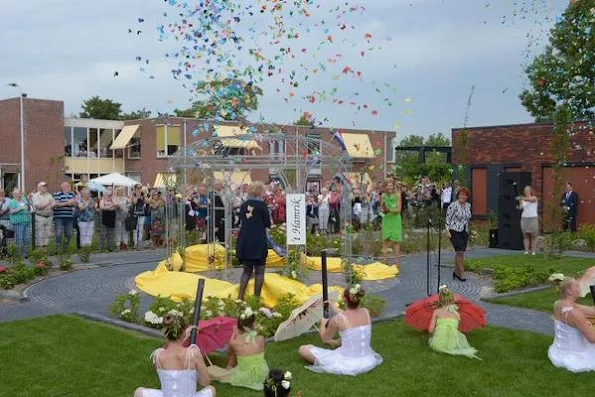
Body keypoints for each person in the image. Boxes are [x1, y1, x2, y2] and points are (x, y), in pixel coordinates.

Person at [298, 285, 383, 376]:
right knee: (350, 336)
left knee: (303, 349)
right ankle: (336, 343)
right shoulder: (365, 312)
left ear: (344, 299)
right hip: (367, 359)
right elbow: (348, 316)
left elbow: (325, 339)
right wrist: (333, 306)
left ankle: (335, 344)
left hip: (348, 363)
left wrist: (322, 323)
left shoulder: (338, 319)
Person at [134, 313, 215, 397]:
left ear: (165, 333)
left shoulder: (158, 356)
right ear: (183, 332)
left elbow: (174, 352)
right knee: (211, 389)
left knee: (139, 392)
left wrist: (182, 336)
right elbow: (205, 382)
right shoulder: (193, 353)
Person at [208, 307, 269, 390]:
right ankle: (230, 368)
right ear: (253, 324)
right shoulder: (261, 339)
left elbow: (229, 353)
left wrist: (234, 333)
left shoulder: (234, 342)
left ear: (238, 326)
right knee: (240, 355)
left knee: (211, 370)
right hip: (262, 374)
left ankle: (228, 368)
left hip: (245, 376)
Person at [548, 277, 595, 372]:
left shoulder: (558, 304)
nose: (580, 289)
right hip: (576, 356)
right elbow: (592, 339)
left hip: (559, 351)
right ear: (569, 290)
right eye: (577, 286)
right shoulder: (575, 314)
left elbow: (591, 311)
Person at [236, 181, 271, 301]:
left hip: (245, 239)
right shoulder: (262, 206)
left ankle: (240, 298)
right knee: (259, 271)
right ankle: (256, 299)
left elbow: (240, 219)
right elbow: (268, 223)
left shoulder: (244, 204)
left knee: (246, 271)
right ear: (260, 191)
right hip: (258, 240)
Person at [428, 286, 480, 359]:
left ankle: (441, 341)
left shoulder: (436, 312)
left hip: (438, 343)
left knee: (434, 341)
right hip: (453, 344)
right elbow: (456, 328)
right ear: (452, 299)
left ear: (440, 300)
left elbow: (430, 330)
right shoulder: (456, 314)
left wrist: (435, 332)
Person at [445, 187, 472, 282]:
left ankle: (456, 273)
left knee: (460, 252)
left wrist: (470, 231)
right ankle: (462, 273)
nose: (463, 196)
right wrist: (447, 230)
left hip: (464, 231)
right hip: (454, 230)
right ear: (458, 195)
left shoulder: (468, 205)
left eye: (464, 195)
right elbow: (448, 218)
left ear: (467, 196)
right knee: (460, 251)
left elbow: (467, 219)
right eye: (461, 194)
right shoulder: (453, 205)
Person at [381, 181, 402, 267]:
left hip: (395, 220)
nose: (390, 187)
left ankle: (397, 262)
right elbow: (381, 208)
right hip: (386, 219)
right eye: (388, 186)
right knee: (385, 240)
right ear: (385, 187)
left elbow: (398, 209)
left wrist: (389, 209)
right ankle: (385, 260)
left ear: (393, 186)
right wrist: (384, 209)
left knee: (395, 241)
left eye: (391, 185)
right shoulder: (383, 196)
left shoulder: (398, 195)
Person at [52, 181, 76, 251]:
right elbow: (57, 204)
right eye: (67, 186)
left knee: (69, 234)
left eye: (69, 186)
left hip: (69, 217)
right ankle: (58, 248)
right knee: (59, 233)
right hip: (59, 217)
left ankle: (65, 248)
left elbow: (75, 203)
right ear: (63, 187)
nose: (69, 187)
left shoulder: (72, 194)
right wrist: (68, 203)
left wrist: (71, 203)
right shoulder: (57, 194)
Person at [31, 182, 55, 249]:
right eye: (43, 186)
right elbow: (39, 206)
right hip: (40, 217)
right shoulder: (36, 196)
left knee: (47, 234)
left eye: (46, 186)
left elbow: (54, 204)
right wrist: (48, 203)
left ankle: (45, 250)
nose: (45, 188)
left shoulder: (49, 195)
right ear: (39, 188)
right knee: (40, 234)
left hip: (49, 217)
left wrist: (48, 205)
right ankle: (39, 251)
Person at [8, 188, 31, 258]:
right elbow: (11, 211)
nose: (19, 195)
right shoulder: (12, 202)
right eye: (18, 194)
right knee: (19, 239)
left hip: (26, 221)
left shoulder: (23, 199)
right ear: (13, 195)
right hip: (18, 223)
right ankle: (19, 255)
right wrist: (20, 208)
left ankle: (26, 255)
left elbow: (28, 207)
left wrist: (29, 202)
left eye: (20, 193)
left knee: (26, 239)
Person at [517, 185, 539, 255]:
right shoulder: (523, 200)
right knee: (525, 235)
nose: (526, 192)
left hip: (532, 218)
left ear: (530, 191)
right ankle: (526, 250)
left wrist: (521, 198)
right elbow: (521, 207)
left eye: (527, 190)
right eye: (525, 191)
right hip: (524, 218)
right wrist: (518, 205)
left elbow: (530, 200)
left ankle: (534, 251)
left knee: (533, 235)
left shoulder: (534, 198)